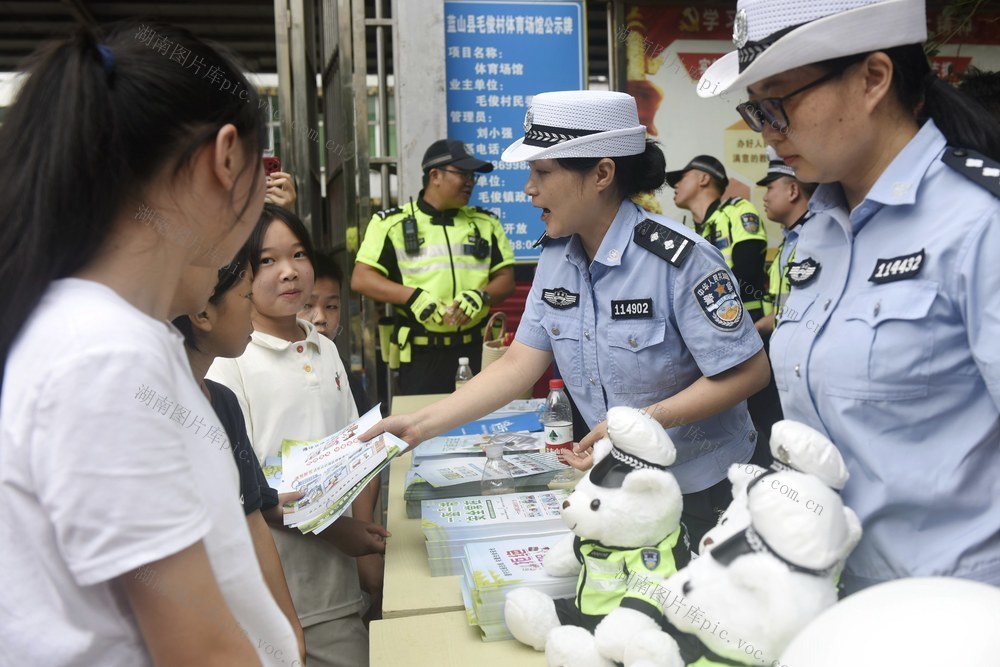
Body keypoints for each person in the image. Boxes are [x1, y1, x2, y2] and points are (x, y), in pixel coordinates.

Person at [0, 20, 300, 666]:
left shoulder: (120, 335)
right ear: (226, 157)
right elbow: (202, 652)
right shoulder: (103, 354)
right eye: (262, 165)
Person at [362, 91, 771, 544]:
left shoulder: (680, 260)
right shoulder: (558, 256)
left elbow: (749, 371)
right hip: (612, 480)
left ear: (601, 173)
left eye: (542, 172)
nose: (529, 189)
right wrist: (420, 425)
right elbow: (521, 362)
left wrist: (643, 420)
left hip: (699, 487)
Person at [698, 0, 1000, 595]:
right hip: (826, 596)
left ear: (873, 78)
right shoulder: (818, 230)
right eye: (756, 109)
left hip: (953, 609)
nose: (768, 130)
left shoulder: (977, 224)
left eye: (780, 101)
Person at [208, 204, 388, 667]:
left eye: (299, 255)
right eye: (267, 261)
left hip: (339, 586)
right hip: (281, 593)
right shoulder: (230, 363)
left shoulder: (323, 347)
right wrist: (340, 530)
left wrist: (361, 538)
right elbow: (248, 493)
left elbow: (360, 448)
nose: (289, 272)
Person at [171, 253, 305, 664]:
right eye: (247, 295)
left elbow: (253, 522)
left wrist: (290, 631)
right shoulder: (156, 415)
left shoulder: (224, 404)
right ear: (202, 314)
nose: (255, 307)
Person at [351, 139, 516, 394]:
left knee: (482, 429)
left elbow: (506, 278)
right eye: (462, 173)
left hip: (476, 348)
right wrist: (413, 297)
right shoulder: (390, 224)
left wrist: (481, 296)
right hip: (421, 354)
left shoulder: (485, 223)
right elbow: (361, 279)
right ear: (435, 175)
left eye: (472, 175)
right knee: (423, 429)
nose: (470, 181)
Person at [300, 251, 384, 624]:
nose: (320, 317)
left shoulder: (336, 363)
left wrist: (365, 547)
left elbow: (364, 455)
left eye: (331, 306)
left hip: (347, 545)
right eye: (308, 305)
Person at [666, 155, 768, 321]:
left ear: (704, 178)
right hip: (706, 323)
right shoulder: (688, 233)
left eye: (681, 178)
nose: (676, 185)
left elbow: (747, 270)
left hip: (749, 318)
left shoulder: (737, 210)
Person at [756, 147, 816, 337]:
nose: (765, 197)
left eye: (770, 188)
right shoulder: (789, 243)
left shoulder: (818, 239)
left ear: (792, 191)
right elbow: (784, 309)